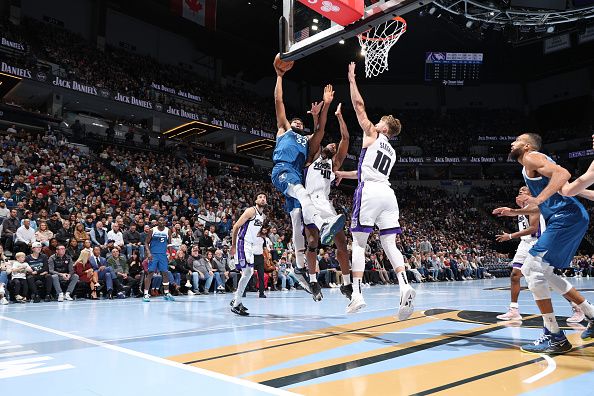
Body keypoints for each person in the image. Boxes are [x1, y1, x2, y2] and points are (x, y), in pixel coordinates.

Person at [493, 133, 594, 353]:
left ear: (527, 146)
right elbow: (545, 204)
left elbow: (563, 173)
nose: (512, 143)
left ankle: (554, 335)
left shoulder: (531, 157)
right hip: (568, 216)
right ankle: (591, 315)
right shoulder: (528, 167)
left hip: (566, 217)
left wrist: (538, 199)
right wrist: (515, 211)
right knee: (545, 273)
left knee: (532, 269)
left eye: (517, 140)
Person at [335, 62, 415, 319]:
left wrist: (351, 80)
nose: (375, 122)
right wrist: (341, 174)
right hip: (387, 194)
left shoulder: (372, 133)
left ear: (383, 129)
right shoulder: (391, 152)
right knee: (389, 242)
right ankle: (404, 284)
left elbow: (359, 107)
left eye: (379, 122)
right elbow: (364, 170)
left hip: (369, 192)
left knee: (358, 243)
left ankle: (357, 293)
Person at [271, 56, 345, 292]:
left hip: (295, 178)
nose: (297, 122)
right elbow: (278, 101)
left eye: (300, 122)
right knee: (304, 196)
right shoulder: (283, 130)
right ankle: (325, 224)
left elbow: (321, 129)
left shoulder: (307, 142)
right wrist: (280, 76)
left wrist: (325, 106)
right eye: (295, 121)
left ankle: (300, 267)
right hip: (283, 170)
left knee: (297, 223)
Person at [302, 101, 353, 301]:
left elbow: (346, 138)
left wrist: (340, 117)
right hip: (309, 201)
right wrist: (317, 115)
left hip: (325, 203)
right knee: (313, 242)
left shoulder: (335, 164)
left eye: (334, 144)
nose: (332, 144)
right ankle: (313, 282)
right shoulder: (313, 157)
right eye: (330, 143)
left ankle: (347, 284)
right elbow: (317, 132)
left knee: (342, 242)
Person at [229, 193, 267, 316]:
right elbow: (235, 227)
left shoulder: (263, 217)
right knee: (248, 272)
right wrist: (234, 245)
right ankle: (236, 303)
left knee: (248, 273)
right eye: (260, 197)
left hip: (250, 245)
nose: (262, 198)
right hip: (242, 242)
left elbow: (253, 231)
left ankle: (237, 300)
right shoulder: (251, 211)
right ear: (256, 200)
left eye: (264, 197)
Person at [143, 216, 175, 302]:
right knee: (150, 273)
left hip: (163, 255)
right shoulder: (152, 230)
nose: (161, 221)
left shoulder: (168, 230)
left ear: (165, 222)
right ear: (157, 222)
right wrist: (149, 253)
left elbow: (169, 244)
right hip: (153, 254)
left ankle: (166, 293)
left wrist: (171, 255)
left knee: (165, 273)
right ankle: (146, 294)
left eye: (163, 220)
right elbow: (146, 242)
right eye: (160, 220)